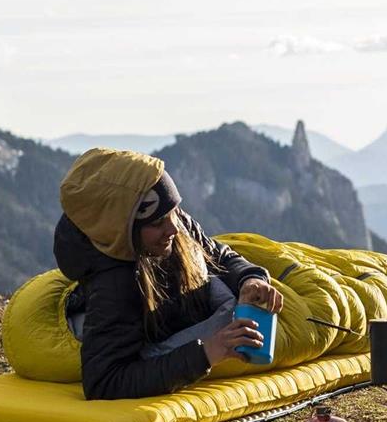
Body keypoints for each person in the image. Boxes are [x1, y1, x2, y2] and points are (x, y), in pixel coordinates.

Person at [53, 147, 284, 400]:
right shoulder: (115, 284)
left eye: (173, 212)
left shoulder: (171, 220)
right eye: (157, 223)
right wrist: (207, 353)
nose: (173, 228)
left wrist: (249, 279)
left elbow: (218, 254)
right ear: (125, 229)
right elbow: (104, 382)